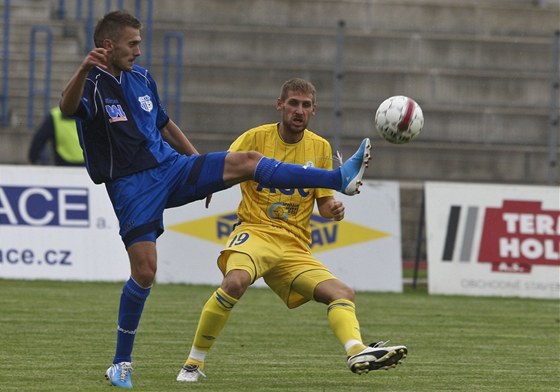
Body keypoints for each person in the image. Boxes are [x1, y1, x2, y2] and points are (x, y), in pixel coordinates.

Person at [59, 11, 371, 389]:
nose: (139, 51)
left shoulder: (142, 78)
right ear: (107, 45)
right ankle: (121, 363)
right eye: (133, 44)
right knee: (145, 272)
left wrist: (195, 164)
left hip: (172, 168)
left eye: (139, 43)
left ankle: (337, 178)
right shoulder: (92, 82)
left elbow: (163, 123)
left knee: (249, 162)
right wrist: (81, 70)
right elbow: (67, 107)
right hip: (132, 186)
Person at [176, 78, 407, 383]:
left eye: (306, 105)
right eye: (293, 103)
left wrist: (333, 210)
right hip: (256, 231)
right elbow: (223, 167)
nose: (299, 110)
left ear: (314, 111)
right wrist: (205, 184)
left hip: (295, 246)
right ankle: (193, 363)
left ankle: (356, 350)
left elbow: (323, 205)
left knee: (342, 293)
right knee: (234, 283)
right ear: (280, 105)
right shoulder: (254, 138)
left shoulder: (320, 147)